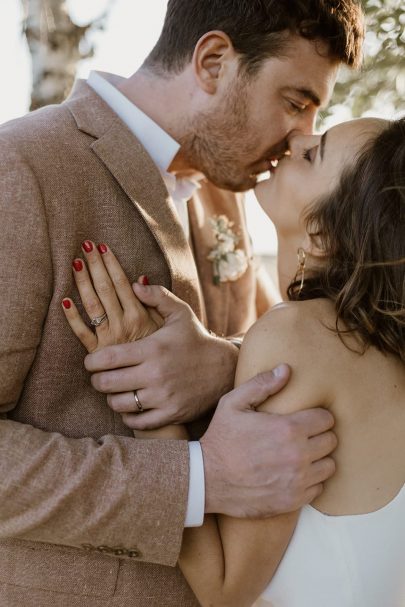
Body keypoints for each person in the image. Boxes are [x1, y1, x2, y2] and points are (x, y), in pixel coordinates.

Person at [0, 1, 364, 605]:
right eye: (295, 101)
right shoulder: (21, 170)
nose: (302, 136)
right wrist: (198, 480)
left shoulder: (228, 189)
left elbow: (283, 337)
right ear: (214, 61)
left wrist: (224, 362)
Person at [66, 116, 405, 607]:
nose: (295, 137)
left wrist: (144, 389)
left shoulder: (298, 336)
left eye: (314, 153)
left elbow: (225, 589)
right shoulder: (379, 347)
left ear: (322, 234)